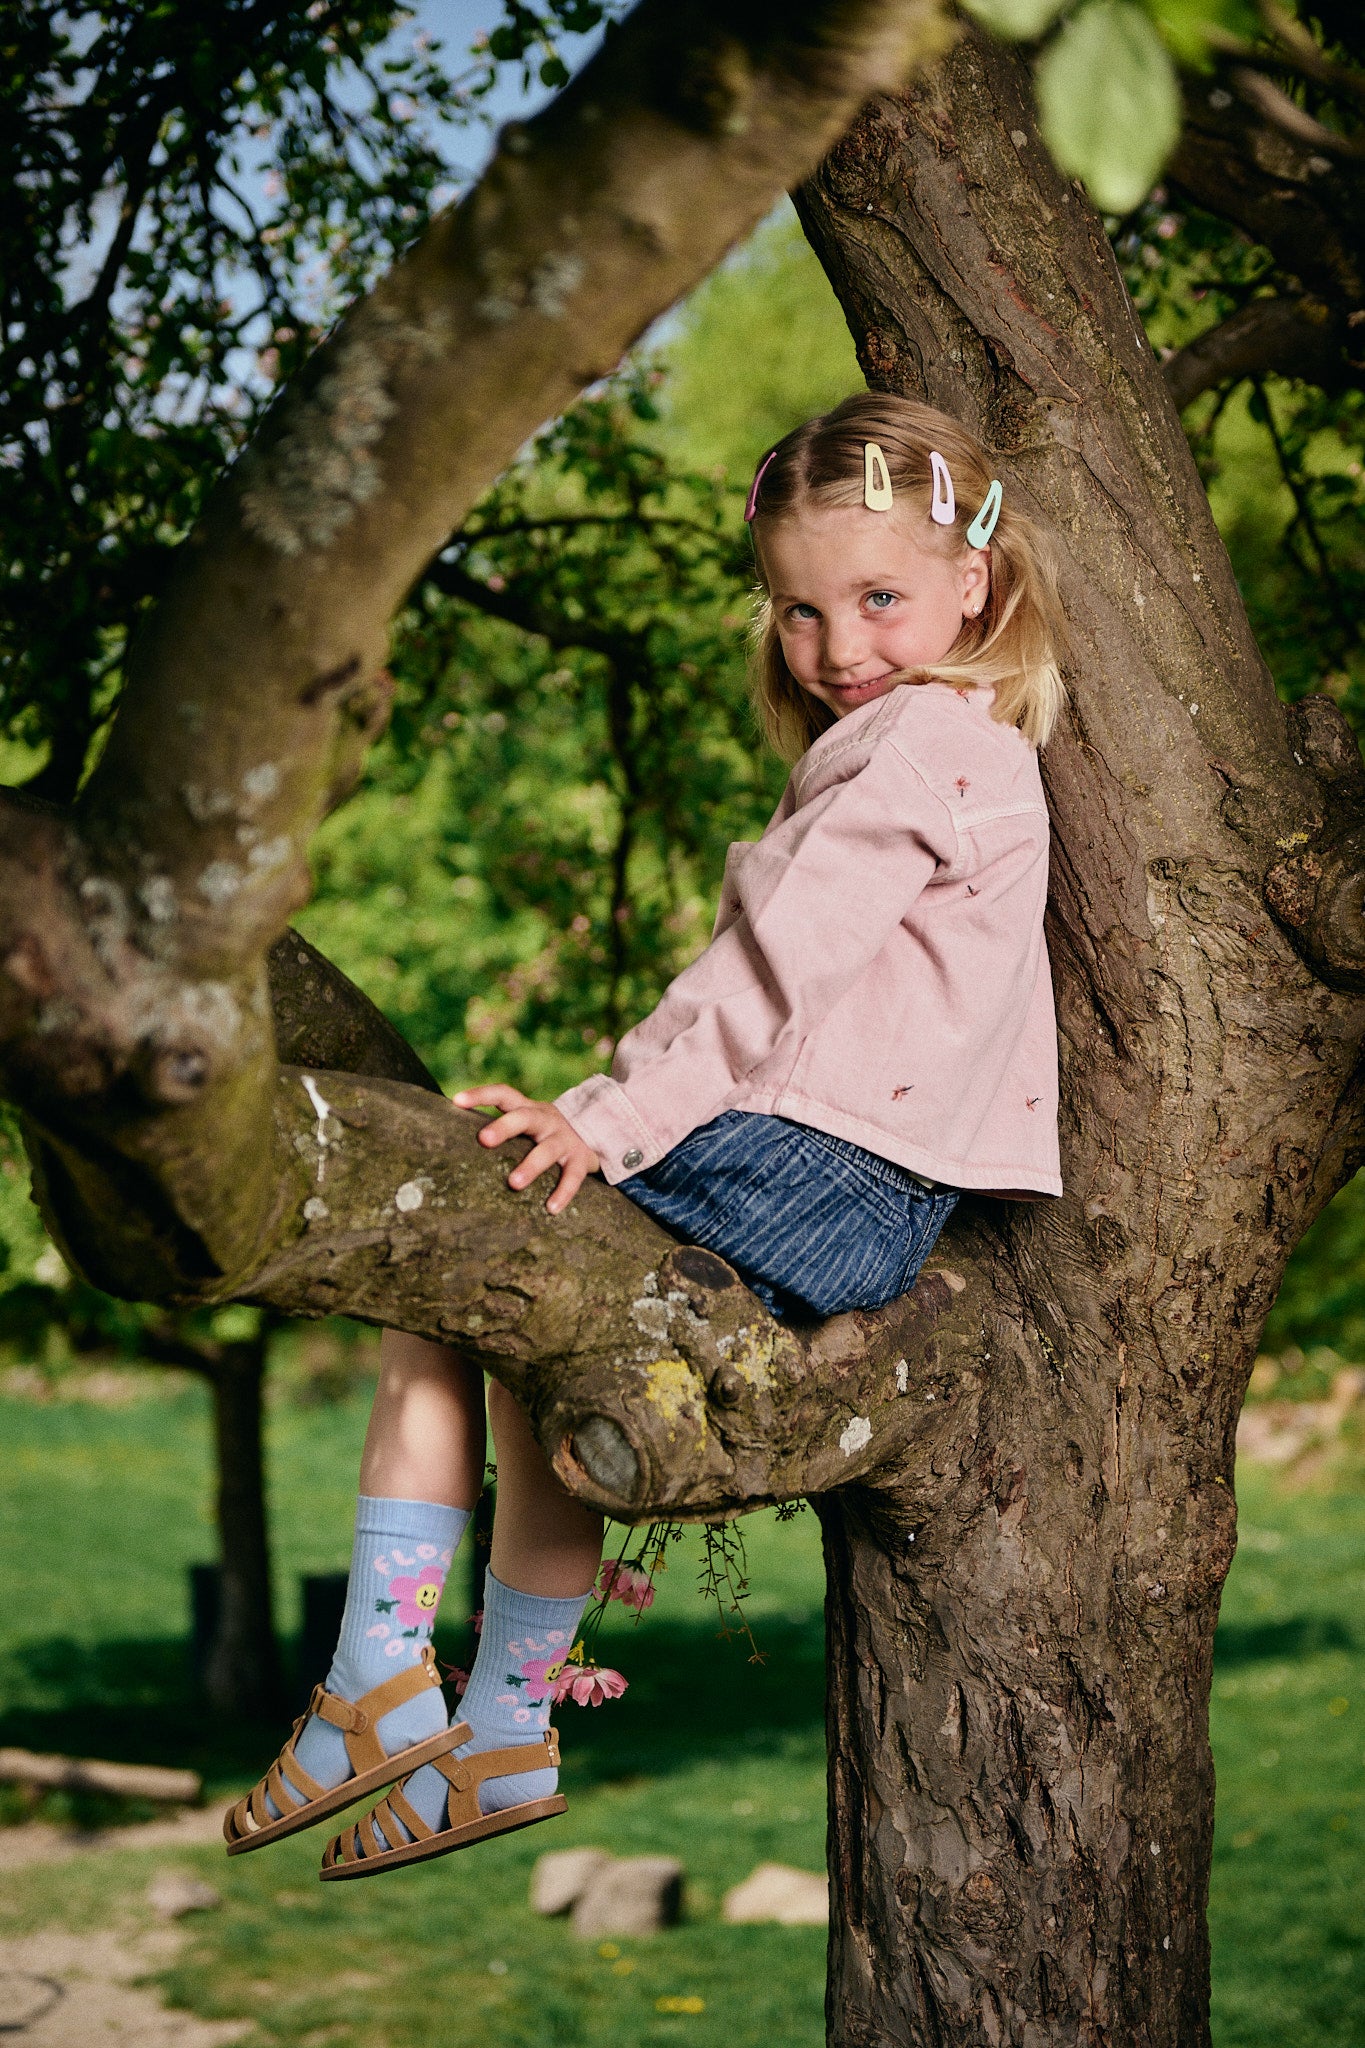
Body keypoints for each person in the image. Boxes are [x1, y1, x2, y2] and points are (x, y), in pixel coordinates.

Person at [223, 392, 1067, 1881]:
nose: (838, 648)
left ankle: (380, 1683)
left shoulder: (917, 747)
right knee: (526, 1351)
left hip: (806, 1167)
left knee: (438, 1292)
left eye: (878, 599)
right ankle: (499, 1730)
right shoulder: (963, 745)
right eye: (799, 611)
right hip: (858, 1190)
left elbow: (771, 965)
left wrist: (604, 1119)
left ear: (973, 584)